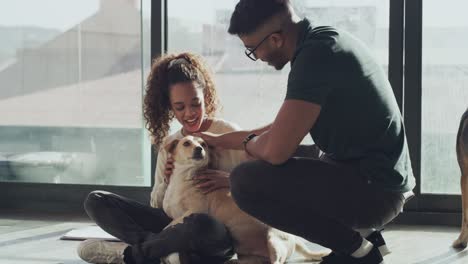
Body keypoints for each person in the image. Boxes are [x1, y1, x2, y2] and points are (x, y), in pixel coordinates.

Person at [194, 1, 416, 264]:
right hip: (376, 180)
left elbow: (275, 151)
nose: (258, 58)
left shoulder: (315, 58)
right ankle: (363, 236)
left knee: (245, 181)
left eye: (252, 50)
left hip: (377, 192)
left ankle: (358, 250)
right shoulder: (323, 40)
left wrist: (251, 145)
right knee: (268, 155)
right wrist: (218, 140)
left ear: (275, 39)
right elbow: (281, 128)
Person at [77, 52, 246, 264]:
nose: (190, 113)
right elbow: (158, 207)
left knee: (200, 223)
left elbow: (259, 184)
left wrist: (229, 179)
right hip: (173, 225)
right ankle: (162, 251)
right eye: (180, 107)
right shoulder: (171, 145)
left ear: (206, 97)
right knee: (96, 200)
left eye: (196, 103)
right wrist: (166, 181)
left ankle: (133, 255)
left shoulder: (227, 132)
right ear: (170, 107)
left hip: (215, 232)